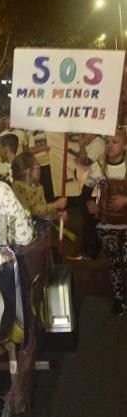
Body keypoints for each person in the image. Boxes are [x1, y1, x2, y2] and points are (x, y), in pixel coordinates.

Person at [81, 129, 127, 315]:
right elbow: (85, 191)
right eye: (107, 141)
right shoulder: (99, 167)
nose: (109, 145)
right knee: (115, 263)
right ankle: (119, 300)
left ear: (124, 145)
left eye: (115, 142)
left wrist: (125, 200)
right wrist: (90, 203)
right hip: (107, 225)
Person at [11, 152, 67, 220]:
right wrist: (55, 205)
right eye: (36, 164)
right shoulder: (18, 188)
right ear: (27, 171)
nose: (39, 166)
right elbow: (33, 210)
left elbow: (43, 213)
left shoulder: (37, 187)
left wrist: (56, 216)